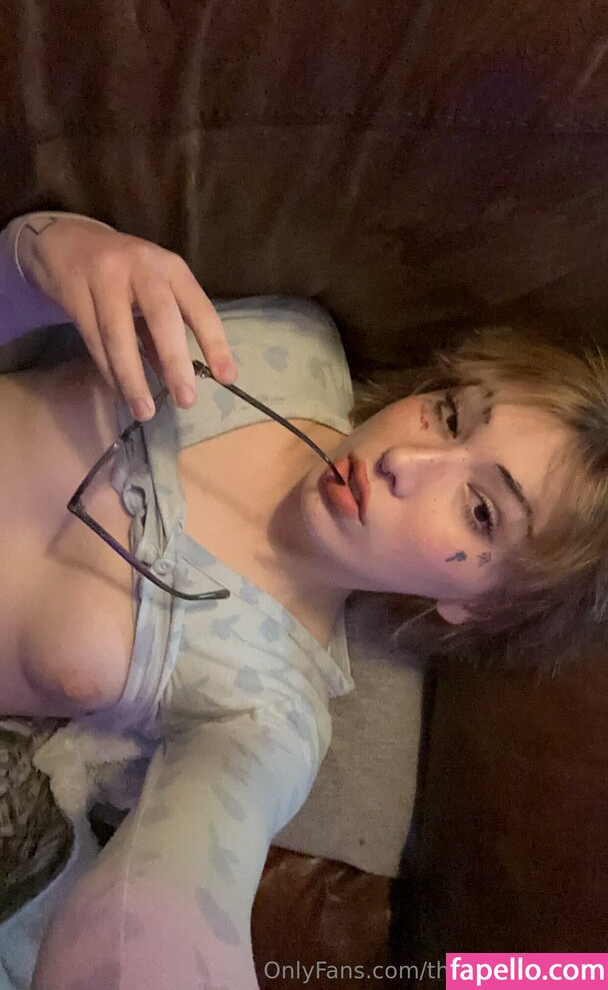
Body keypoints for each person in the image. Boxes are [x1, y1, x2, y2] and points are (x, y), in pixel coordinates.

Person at [0, 210, 605, 987]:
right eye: (451, 415)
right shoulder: (280, 349)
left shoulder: (269, 713)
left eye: (481, 511)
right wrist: (49, 253)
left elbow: (173, 903)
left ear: (477, 607)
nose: (406, 460)